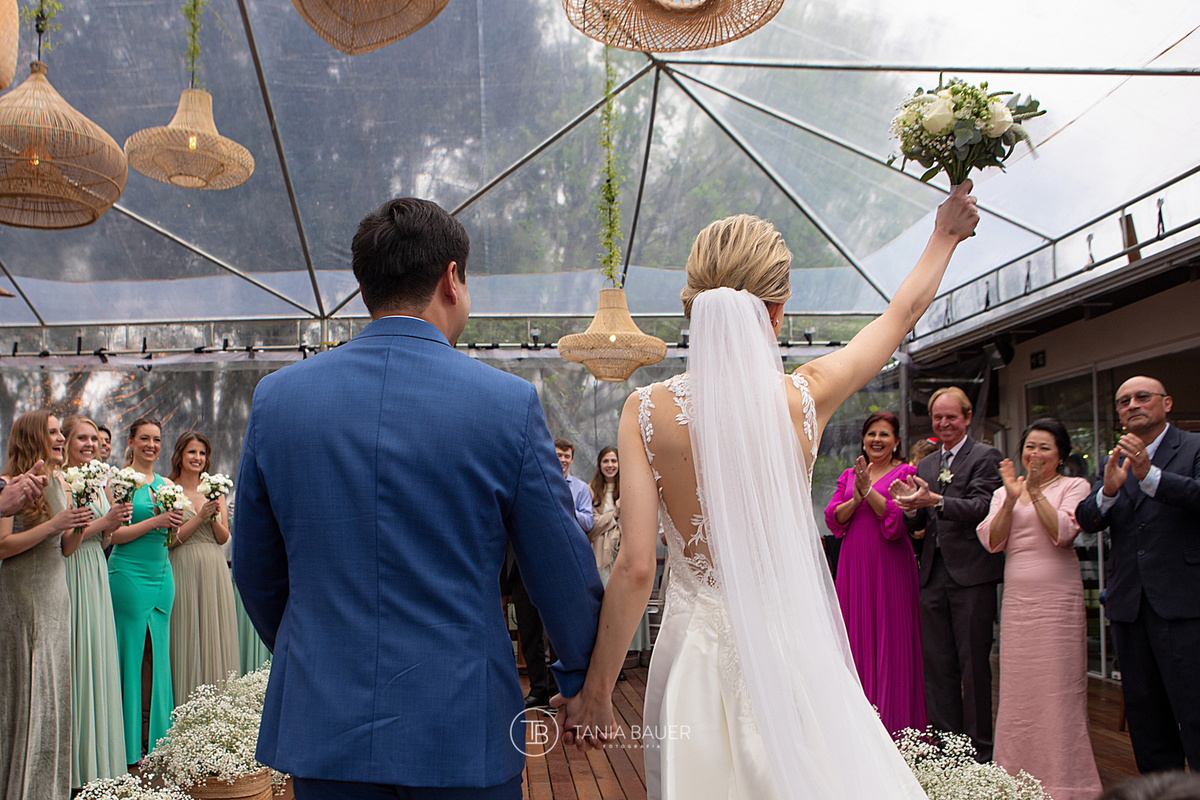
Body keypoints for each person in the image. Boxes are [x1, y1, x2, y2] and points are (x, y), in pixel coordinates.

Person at [556, 182, 979, 799]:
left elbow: (636, 568)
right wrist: (945, 235)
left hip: (693, 660)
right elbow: (899, 315)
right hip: (792, 654)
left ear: (693, 307)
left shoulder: (645, 410)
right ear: (776, 312)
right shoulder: (806, 396)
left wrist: (596, 694)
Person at [233, 197, 603, 800]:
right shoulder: (505, 404)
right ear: (452, 279)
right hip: (462, 727)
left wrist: (321, 652)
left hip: (327, 726)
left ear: (364, 288)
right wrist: (584, 679)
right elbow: (559, 568)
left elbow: (255, 569)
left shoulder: (278, 399)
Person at [1076, 377, 1200, 774]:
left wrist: (1150, 476)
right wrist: (1108, 492)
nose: (1132, 405)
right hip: (1129, 605)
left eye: (1142, 397)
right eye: (1123, 401)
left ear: (1167, 403)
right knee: (1147, 719)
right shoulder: (1112, 460)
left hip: (1184, 604)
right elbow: (1087, 519)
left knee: (1194, 711)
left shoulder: (1194, 447)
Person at [977, 419, 1101, 799]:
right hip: (1018, 602)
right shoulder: (1005, 491)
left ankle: (1066, 781)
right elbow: (993, 541)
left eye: (1045, 447)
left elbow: (1063, 534)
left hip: (1057, 600)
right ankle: (1014, 777)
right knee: (1019, 693)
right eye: (1030, 446)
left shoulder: (1074, 486)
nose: (1035, 454)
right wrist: (1012, 498)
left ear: (1060, 455)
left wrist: (1036, 493)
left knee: (1058, 690)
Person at [891, 386, 1003, 760]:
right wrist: (910, 509)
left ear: (967, 418)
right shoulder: (925, 465)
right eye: (938, 417)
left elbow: (983, 507)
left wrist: (936, 500)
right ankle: (946, 749)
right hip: (932, 575)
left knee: (974, 666)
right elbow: (919, 524)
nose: (944, 423)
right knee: (937, 665)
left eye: (951, 417)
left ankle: (979, 752)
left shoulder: (985, 457)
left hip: (971, 575)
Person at [0, 411, 93, 799]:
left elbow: (66, 548)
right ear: (32, 437)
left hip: (57, 595)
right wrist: (54, 525)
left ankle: (48, 788)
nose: (60, 438)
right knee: (28, 691)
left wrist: (80, 523)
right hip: (23, 594)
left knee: (54, 692)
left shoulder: (61, 482)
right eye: (52, 431)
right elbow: (3, 546)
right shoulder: (8, 484)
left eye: (59, 432)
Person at [823, 411, 925, 735]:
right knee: (854, 636)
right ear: (863, 440)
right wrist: (856, 498)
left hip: (890, 563)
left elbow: (897, 522)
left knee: (892, 639)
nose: (877, 440)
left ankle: (896, 728)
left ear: (896, 442)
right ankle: (856, 728)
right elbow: (834, 517)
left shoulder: (907, 473)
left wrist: (869, 493)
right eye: (871, 434)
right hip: (854, 563)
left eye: (884, 434)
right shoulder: (849, 474)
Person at [107, 417, 184, 764]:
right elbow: (113, 535)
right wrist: (155, 521)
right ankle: (126, 742)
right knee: (132, 655)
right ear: (131, 441)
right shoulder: (120, 481)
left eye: (156, 439)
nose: (151, 445)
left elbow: (171, 537)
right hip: (128, 575)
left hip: (161, 575)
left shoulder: (167, 484)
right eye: (144, 439)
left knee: (157, 656)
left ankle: (156, 740)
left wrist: (173, 526)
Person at [60, 415, 131, 787]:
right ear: (67, 442)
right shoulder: (63, 482)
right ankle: (73, 762)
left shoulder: (98, 481)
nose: (90, 444)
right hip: (71, 570)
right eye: (81, 438)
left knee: (97, 655)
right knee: (77, 656)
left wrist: (113, 523)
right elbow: (66, 540)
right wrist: (106, 523)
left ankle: (98, 760)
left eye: (93, 439)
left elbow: (104, 539)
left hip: (95, 571)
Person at [167, 432, 238, 706]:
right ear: (180, 456)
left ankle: (218, 706)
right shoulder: (170, 489)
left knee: (214, 634)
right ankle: (184, 706)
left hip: (213, 567)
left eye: (202, 453)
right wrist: (199, 517)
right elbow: (170, 541)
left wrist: (213, 517)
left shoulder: (215, 490)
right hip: (182, 565)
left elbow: (223, 538)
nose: (197, 458)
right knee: (185, 633)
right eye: (191, 452)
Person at [588, 447, 651, 669]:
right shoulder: (591, 490)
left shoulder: (628, 488)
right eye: (606, 461)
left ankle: (621, 661)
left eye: (614, 461)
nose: (610, 465)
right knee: (607, 607)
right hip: (601, 556)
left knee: (624, 604)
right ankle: (604, 660)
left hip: (624, 552)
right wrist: (613, 514)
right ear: (600, 464)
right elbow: (589, 526)